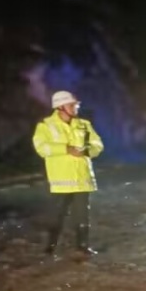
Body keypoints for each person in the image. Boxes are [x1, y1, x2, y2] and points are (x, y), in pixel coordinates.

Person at [32, 90, 104, 256]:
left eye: (76, 105)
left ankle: (83, 247)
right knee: (57, 215)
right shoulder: (45, 126)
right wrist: (66, 149)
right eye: (72, 105)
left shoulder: (84, 124)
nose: (75, 107)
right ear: (60, 107)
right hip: (61, 180)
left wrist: (87, 151)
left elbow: (98, 145)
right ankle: (50, 247)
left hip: (82, 179)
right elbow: (42, 148)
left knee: (82, 216)